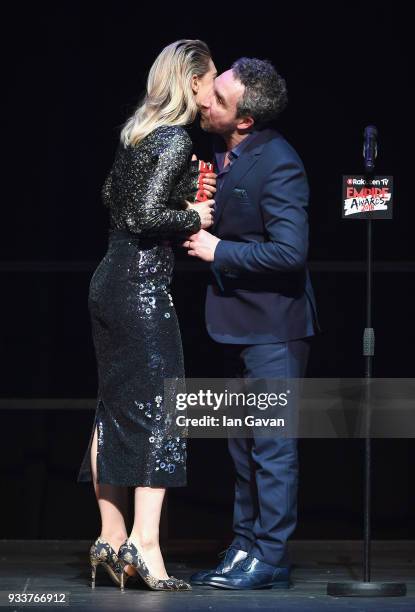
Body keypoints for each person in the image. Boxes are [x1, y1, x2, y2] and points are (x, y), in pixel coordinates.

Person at [76, 39, 217, 592]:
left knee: (113, 409)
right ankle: (147, 545)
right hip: (138, 286)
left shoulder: (137, 132)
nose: (211, 92)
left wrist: (179, 197)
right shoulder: (177, 137)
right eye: (208, 80)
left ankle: (110, 538)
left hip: (108, 279)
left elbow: (110, 192)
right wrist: (192, 213)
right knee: (162, 408)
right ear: (192, 82)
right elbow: (139, 212)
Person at [184, 58, 319, 589]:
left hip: (273, 329)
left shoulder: (279, 161)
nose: (204, 101)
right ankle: (244, 546)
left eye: (217, 98)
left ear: (243, 120)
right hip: (235, 325)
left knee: (272, 449)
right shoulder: (227, 152)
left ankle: (273, 557)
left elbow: (290, 252)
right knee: (241, 448)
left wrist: (221, 250)